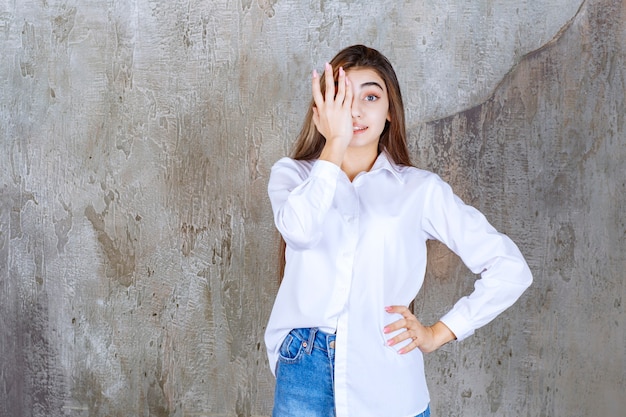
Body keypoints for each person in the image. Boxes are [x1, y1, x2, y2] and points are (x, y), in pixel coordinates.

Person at [265, 44, 532, 417]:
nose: (355, 110)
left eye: (370, 96)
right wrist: (336, 142)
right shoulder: (293, 176)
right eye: (342, 96)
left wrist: (440, 331)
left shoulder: (419, 190)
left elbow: (509, 268)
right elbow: (301, 231)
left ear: (390, 111)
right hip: (304, 371)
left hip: (387, 379)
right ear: (322, 109)